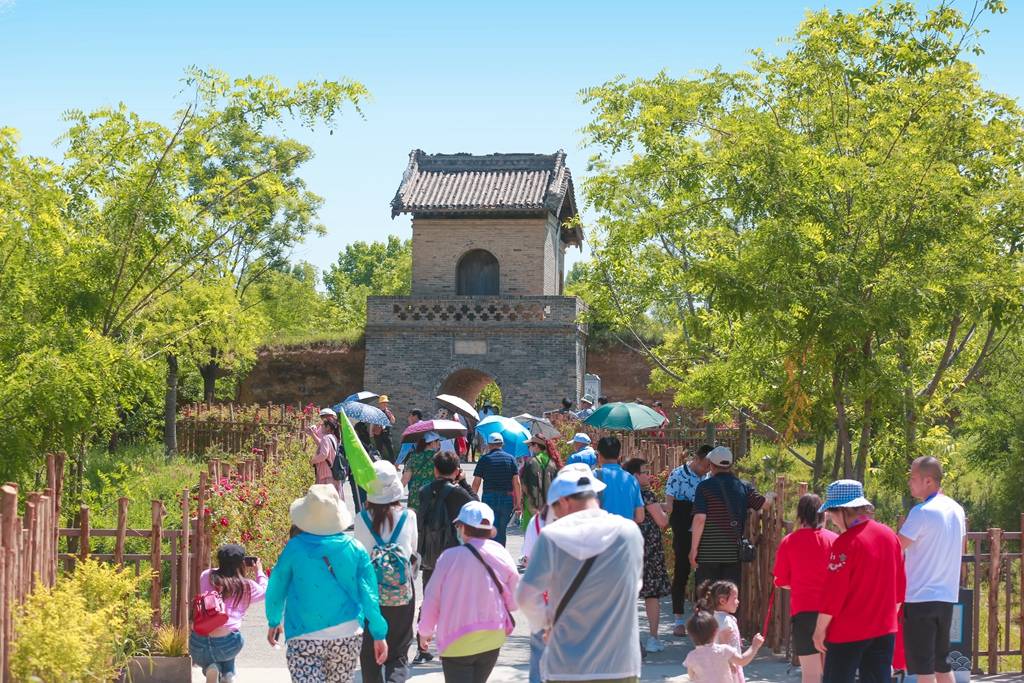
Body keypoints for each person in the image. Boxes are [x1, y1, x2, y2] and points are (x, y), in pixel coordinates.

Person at [516, 465, 645, 682]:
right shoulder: (629, 532)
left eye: (555, 509)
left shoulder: (552, 536)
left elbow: (525, 596)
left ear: (564, 502)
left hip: (566, 665)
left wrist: (546, 623)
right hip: (620, 663)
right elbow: (634, 587)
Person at [265, 484, 388, 682]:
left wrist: (273, 620)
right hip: (347, 634)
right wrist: (379, 633)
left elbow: (277, 585)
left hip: (303, 634)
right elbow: (369, 594)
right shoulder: (356, 549)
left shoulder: (294, 548)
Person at [812, 480, 905, 683]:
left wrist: (819, 631)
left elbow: (833, 595)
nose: (832, 520)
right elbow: (899, 589)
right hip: (884, 629)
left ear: (843, 511)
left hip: (847, 631)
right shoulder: (890, 536)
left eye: (832, 513)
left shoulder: (844, 544)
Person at [418, 501, 519, 683]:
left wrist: (425, 631)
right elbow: (515, 597)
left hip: (456, 640)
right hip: (492, 636)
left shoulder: (449, 558)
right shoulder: (500, 552)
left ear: (462, 528)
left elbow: (432, 599)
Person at [898, 456, 966, 683]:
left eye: (913, 477)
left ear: (928, 481)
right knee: (941, 662)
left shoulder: (921, 511)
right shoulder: (957, 510)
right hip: (946, 596)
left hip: (920, 597)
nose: (910, 482)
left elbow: (896, 547)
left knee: (924, 668)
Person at [353, 461, 417, 683]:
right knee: (398, 652)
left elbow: (359, 555)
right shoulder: (409, 516)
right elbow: (413, 551)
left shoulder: (361, 518)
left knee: (369, 650)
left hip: (369, 591)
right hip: (401, 590)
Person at [414, 450, 478, 665]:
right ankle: (452, 645)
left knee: (429, 597)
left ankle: (421, 647)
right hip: (454, 555)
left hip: (430, 554)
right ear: (457, 470)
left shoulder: (424, 491)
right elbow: (476, 508)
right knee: (455, 599)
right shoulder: (459, 494)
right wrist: (465, 483)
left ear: (435, 470)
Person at [772, 493, 838, 683]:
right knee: (834, 671)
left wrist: (800, 583)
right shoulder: (835, 540)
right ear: (823, 514)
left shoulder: (789, 541)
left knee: (810, 674)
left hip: (804, 612)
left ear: (800, 515)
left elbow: (780, 580)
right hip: (833, 611)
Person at [689, 446, 769, 590]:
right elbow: (764, 504)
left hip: (708, 553)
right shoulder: (743, 486)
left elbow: (700, 518)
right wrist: (771, 495)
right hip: (733, 554)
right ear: (731, 465)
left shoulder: (704, 487)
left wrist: (694, 549)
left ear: (711, 465)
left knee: (706, 598)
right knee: (727, 598)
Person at [191, 543, 268, 683]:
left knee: (212, 657)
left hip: (198, 644)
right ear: (242, 563)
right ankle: (228, 674)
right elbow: (265, 591)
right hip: (228, 644)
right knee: (230, 634)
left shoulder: (206, 576)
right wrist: (259, 571)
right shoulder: (246, 586)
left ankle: (210, 668)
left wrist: (226, 565)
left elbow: (215, 571)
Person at [623, 458, 671, 653]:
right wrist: (666, 510)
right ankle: (653, 637)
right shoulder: (646, 494)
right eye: (644, 472)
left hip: (629, 546)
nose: (648, 475)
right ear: (635, 475)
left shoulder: (625, 493)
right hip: (649, 548)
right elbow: (662, 521)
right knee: (651, 595)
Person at [665, 444, 713, 636]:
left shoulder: (710, 477)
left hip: (704, 527)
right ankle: (678, 618)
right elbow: (669, 504)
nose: (707, 469)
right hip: (683, 525)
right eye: (705, 465)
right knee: (682, 570)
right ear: (697, 459)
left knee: (705, 571)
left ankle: (703, 616)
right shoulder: (678, 475)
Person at [684, 608, 765, 683]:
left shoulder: (691, 656)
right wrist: (754, 646)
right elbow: (742, 660)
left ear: (691, 635)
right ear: (715, 632)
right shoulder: (724, 650)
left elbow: (692, 676)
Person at [470, 433, 522, 546]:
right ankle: (500, 553)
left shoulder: (484, 459)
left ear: (489, 445)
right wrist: (518, 502)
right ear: (502, 444)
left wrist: (473, 500)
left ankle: (490, 555)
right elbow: (516, 483)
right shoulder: (511, 459)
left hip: (489, 498)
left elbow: (476, 482)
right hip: (507, 498)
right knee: (502, 530)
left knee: (489, 528)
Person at [594, 436, 645, 523]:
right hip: (626, 533)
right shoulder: (631, 479)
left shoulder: (593, 476)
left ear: (599, 454)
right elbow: (640, 517)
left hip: (601, 533)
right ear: (619, 455)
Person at [519, 435, 560, 531]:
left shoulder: (531, 462)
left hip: (531, 507)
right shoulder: (553, 463)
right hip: (549, 508)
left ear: (536, 446)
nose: (529, 448)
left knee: (532, 536)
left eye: (530, 445)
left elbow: (524, 486)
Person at [307, 408, 344, 496]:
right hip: (332, 472)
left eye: (323, 425)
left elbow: (323, 455)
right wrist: (313, 433)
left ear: (328, 427)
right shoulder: (333, 437)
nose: (321, 426)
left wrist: (313, 460)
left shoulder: (326, 438)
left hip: (326, 474)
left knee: (326, 500)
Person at [402, 432, 441, 513]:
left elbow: (405, 480)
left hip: (415, 493)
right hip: (432, 493)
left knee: (415, 521)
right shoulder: (439, 458)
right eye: (438, 441)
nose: (439, 444)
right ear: (432, 442)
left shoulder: (413, 457)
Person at [372, 395, 397, 463]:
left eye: (386, 402)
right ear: (380, 403)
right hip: (378, 433)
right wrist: (371, 433)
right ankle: (379, 463)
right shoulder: (376, 412)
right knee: (379, 450)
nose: (385, 404)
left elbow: (393, 421)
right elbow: (372, 423)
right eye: (383, 402)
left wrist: (390, 415)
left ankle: (394, 464)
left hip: (387, 433)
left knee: (390, 449)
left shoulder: (388, 412)